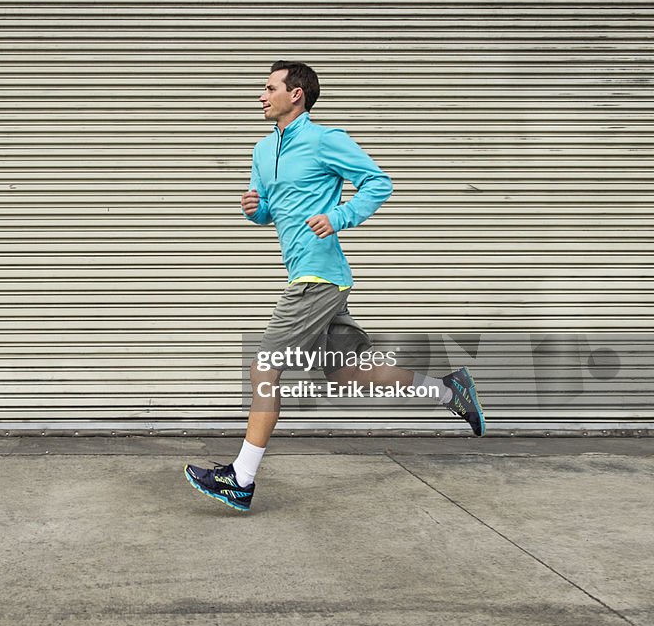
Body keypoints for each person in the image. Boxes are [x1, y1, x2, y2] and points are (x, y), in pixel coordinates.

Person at [184, 60, 485, 512]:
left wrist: (339, 217)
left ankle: (241, 478)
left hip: (318, 278)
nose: (261, 96)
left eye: (269, 88)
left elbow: (378, 183)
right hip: (314, 276)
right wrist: (255, 209)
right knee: (344, 372)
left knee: (264, 366)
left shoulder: (326, 139)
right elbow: (272, 210)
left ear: (296, 94)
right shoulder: (263, 150)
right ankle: (450, 391)